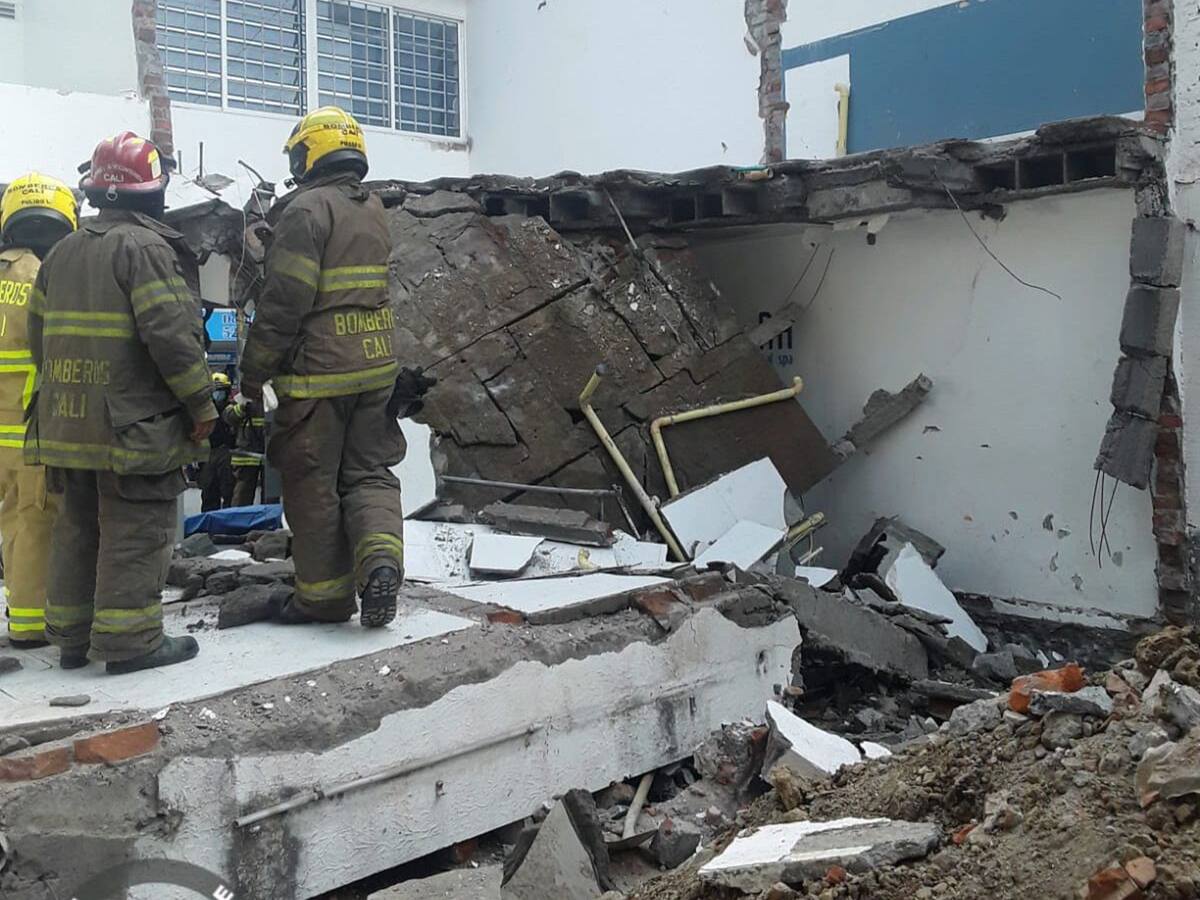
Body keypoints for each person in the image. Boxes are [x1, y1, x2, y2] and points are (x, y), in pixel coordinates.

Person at [27, 132, 216, 673]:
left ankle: (71, 640)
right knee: (137, 528)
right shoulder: (147, 249)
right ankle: (131, 642)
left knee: (77, 525)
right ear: (149, 193)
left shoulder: (61, 252)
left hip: (66, 424)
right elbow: (174, 338)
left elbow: (38, 339)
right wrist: (201, 405)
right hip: (131, 427)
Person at [240, 106, 403, 628]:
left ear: (311, 153)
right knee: (369, 474)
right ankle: (380, 560)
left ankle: (324, 597)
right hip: (376, 368)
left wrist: (253, 372)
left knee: (312, 482)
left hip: (318, 375)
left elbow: (285, 301)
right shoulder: (372, 207)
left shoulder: (307, 210)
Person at [0, 174, 76, 647]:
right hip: (29, 433)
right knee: (33, 522)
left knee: (15, 521)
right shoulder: (45, 279)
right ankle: (29, 626)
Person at [198, 371, 235, 510]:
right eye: (215, 392)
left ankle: (228, 522)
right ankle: (208, 522)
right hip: (208, 454)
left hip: (227, 453)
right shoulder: (203, 411)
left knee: (228, 490)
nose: (218, 396)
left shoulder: (231, 410)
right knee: (208, 491)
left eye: (221, 392)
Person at [225, 393, 266, 507]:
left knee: (270, 498)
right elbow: (228, 416)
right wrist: (242, 407)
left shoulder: (275, 396)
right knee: (242, 497)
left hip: (270, 454)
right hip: (246, 456)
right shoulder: (243, 396)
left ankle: (269, 524)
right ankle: (237, 524)